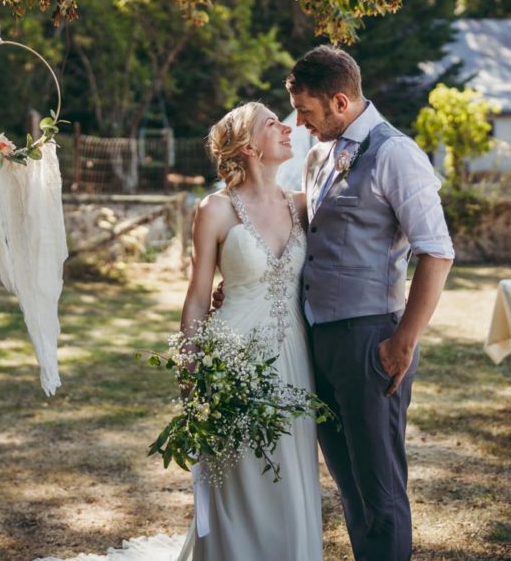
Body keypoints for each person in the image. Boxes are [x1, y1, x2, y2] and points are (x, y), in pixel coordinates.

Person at [289, 45, 454, 560]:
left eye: (307, 112)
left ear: (340, 101)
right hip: (318, 340)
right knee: (350, 484)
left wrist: (403, 340)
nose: (299, 124)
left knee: (380, 490)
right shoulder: (316, 155)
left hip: (371, 342)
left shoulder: (397, 154)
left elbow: (437, 251)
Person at [173, 101, 324, 560]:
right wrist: (190, 367)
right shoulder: (215, 210)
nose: (286, 127)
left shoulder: (302, 205)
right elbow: (199, 295)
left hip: (296, 356)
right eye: (271, 123)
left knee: (291, 476)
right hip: (232, 358)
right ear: (247, 147)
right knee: (239, 479)